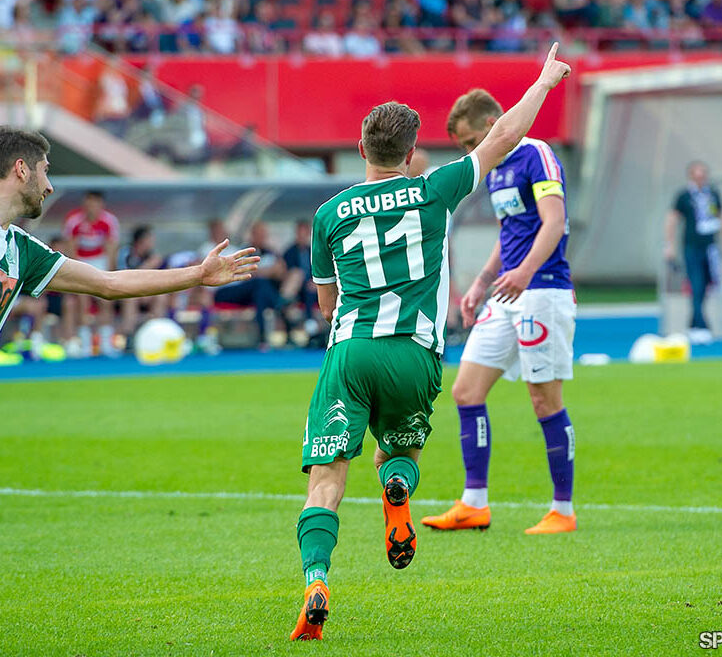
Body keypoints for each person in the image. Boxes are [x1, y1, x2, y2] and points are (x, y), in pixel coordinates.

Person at [289, 43, 571, 642]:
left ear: (362, 149)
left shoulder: (327, 213)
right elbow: (501, 135)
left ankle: (316, 579)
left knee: (327, 475)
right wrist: (544, 81)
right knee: (400, 453)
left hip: (353, 349)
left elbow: (325, 303)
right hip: (416, 354)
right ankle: (399, 492)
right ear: (413, 153)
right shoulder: (435, 188)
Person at [420, 87, 577, 536]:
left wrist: (525, 272)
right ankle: (474, 504)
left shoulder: (536, 154)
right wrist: (481, 282)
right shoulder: (494, 169)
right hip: (507, 293)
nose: (471, 153)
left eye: (472, 142)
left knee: (544, 399)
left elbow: (554, 221)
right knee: (466, 390)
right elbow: (508, 230)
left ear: (493, 125)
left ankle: (562, 510)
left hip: (542, 290)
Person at [0, 127, 259, 343]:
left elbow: (109, 284)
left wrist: (199, 274)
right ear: (22, 169)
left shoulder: (22, 249)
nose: (50, 186)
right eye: (45, 171)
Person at [664, 160, 722, 345]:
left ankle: (693, 324)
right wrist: (670, 245)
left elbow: (720, 218)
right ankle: (702, 326)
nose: (700, 179)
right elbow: (672, 220)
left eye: (703, 176)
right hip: (692, 246)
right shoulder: (684, 196)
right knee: (696, 285)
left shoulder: (713, 194)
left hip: (710, 247)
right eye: (696, 176)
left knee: (706, 286)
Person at [63, 190, 120, 357]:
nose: (91, 207)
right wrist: (76, 271)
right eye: (88, 203)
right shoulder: (74, 221)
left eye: (95, 203)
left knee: (106, 300)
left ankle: (106, 342)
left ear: (101, 205)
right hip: (81, 261)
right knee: (82, 300)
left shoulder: (109, 221)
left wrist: (109, 273)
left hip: (100, 261)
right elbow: (71, 248)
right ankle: (85, 344)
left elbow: (111, 249)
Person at [212, 221, 286, 350]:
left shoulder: (270, 252)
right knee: (260, 283)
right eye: (259, 235)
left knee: (260, 292)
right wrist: (268, 272)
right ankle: (281, 306)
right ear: (252, 235)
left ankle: (263, 338)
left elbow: (281, 271)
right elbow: (249, 274)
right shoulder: (242, 250)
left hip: (252, 294)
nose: (262, 238)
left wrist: (263, 272)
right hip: (230, 290)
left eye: (264, 235)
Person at [118, 225, 168, 342]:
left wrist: (145, 293)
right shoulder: (125, 253)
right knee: (131, 298)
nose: (152, 242)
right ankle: (128, 337)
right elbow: (123, 277)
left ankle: (156, 335)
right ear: (140, 240)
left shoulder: (152, 255)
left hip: (144, 293)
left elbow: (157, 279)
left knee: (161, 297)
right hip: (122, 291)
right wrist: (149, 265)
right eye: (149, 239)